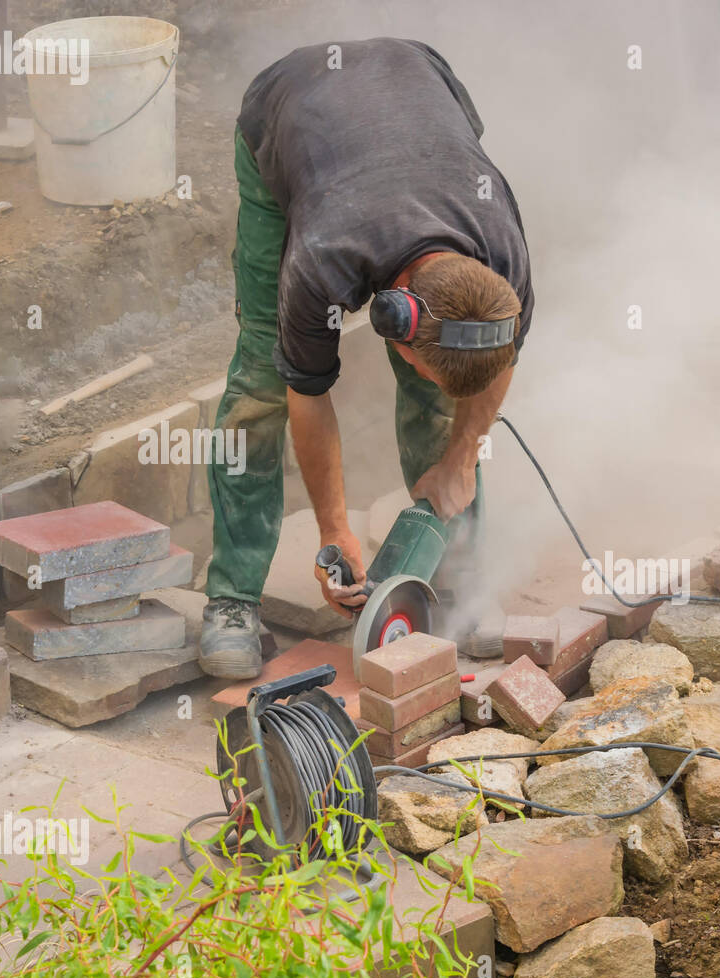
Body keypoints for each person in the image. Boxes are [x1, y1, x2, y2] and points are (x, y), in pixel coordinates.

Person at [199, 37, 532, 677]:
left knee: (444, 400)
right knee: (266, 380)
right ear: (390, 316)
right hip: (289, 116)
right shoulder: (323, 258)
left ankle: (459, 585)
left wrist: (461, 459)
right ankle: (232, 598)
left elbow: (502, 357)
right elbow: (306, 389)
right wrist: (333, 530)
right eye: (419, 363)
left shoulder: (503, 261)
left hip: (421, 80)